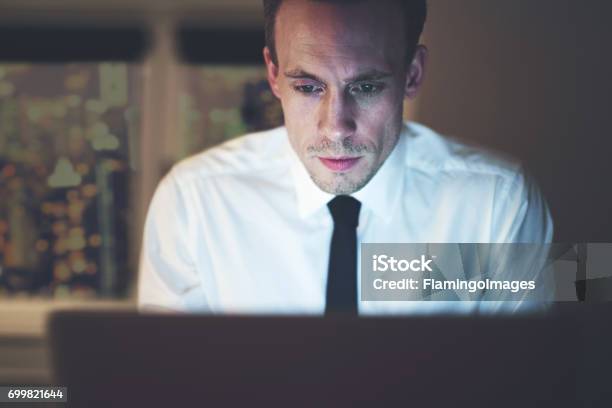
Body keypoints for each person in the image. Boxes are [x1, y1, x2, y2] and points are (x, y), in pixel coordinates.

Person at [138, 0, 553, 315]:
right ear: (273, 75)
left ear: (412, 75)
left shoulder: (499, 201)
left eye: (367, 87)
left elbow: (538, 374)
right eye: (308, 87)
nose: (336, 128)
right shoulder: (193, 202)